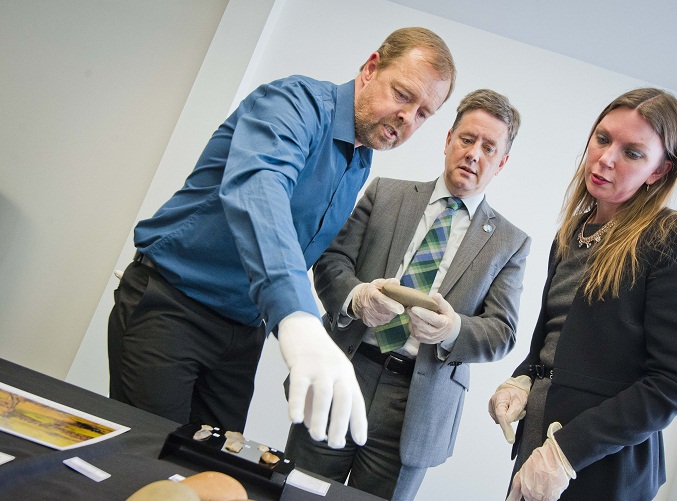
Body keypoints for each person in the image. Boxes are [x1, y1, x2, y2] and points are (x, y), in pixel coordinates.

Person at [107, 27, 456, 449]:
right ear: (370, 69)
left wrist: (358, 296)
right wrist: (297, 317)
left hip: (244, 329)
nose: (407, 118)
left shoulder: (359, 160)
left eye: (423, 114)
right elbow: (260, 190)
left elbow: (311, 247)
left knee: (213, 467)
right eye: (403, 95)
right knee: (146, 458)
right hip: (174, 304)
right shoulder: (294, 104)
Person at [488, 87, 677, 501]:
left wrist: (567, 452)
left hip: (598, 475)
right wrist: (522, 379)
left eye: (632, 153)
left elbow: (676, 384)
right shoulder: (573, 233)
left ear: (659, 171)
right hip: (535, 452)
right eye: (602, 139)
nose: (606, 158)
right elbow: (552, 341)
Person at [285, 89, 531, 501]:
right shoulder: (385, 193)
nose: (473, 154)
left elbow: (502, 332)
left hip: (415, 408)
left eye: (489, 148)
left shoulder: (511, 243)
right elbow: (332, 261)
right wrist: (356, 297)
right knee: (296, 500)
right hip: (344, 371)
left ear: (502, 162)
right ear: (448, 139)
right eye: (467, 139)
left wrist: (452, 330)